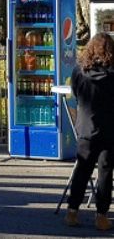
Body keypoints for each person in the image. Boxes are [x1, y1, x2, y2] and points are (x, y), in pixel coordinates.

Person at [64, 34, 114, 230]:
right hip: (109, 128)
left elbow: (75, 94)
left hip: (85, 127)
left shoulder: (79, 71)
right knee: (105, 173)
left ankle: (72, 212)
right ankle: (101, 216)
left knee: (82, 171)